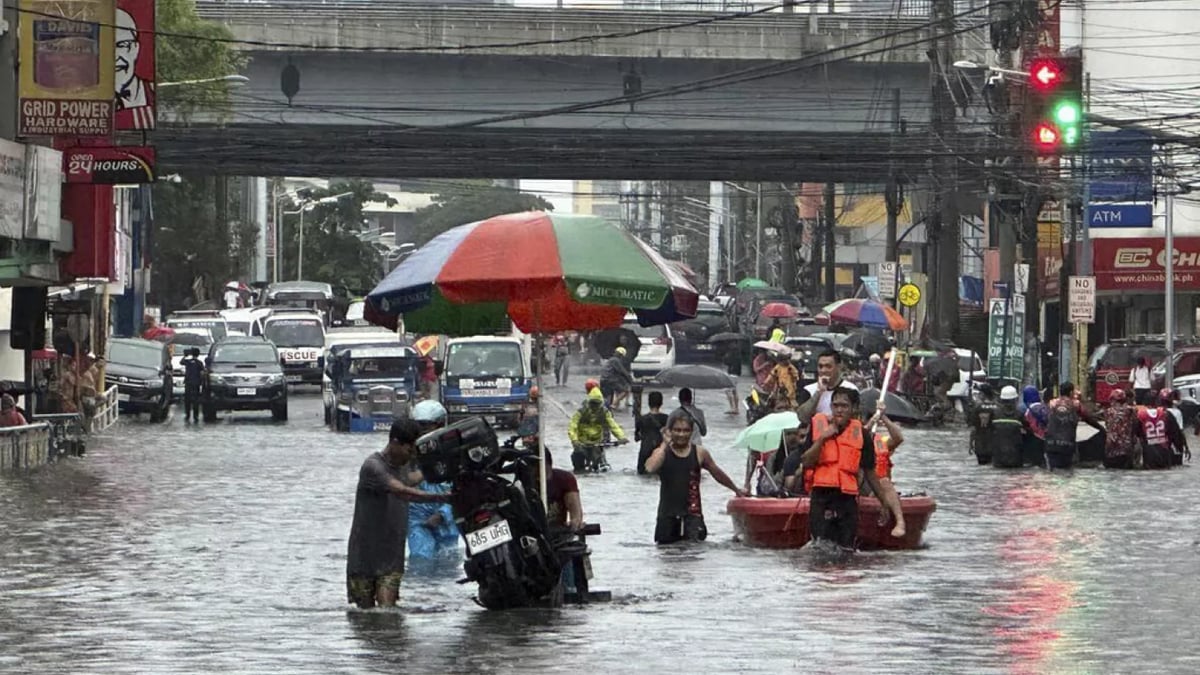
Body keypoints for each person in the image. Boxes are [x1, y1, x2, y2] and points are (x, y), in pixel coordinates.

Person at [346, 419, 451, 610]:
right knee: (365, 616)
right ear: (395, 443)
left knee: (388, 614)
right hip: (364, 557)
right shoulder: (373, 466)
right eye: (409, 451)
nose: (411, 457)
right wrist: (444, 497)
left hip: (391, 557)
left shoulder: (402, 467)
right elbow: (403, 491)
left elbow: (412, 480)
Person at [792, 387, 905, 548]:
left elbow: (870, 472)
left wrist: (883, 503)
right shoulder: (818, 426)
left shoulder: (862, 434)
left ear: (854, 409)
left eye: (844, 406)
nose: (839, 410)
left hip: (847, 498)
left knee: (846, 548)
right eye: (835, 405)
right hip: (821, 497)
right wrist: (822, 439)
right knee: (820, 547)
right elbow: (807, 461)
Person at [644, 410, 747, 544]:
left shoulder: (699, 453)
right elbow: (650, 468)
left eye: (686, 430)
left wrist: (736, 490)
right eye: (677, 430)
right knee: (667, 556)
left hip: (692, 516)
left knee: (694, 555)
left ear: (691, 432)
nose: (681, 434)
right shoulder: (662, 452)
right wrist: (665, 444)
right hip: (667, 517)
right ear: (669, 431)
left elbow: (717, 473)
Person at [407, 401, 460, 561]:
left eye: (425, 426)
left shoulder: (453, 451)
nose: (421, 431)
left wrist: (442, 514)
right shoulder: (408, 452)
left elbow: (461, 487)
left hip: (446, 519)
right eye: (417, 426)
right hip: (418, 519)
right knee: (421, 559)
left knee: (448, 560)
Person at [567, 387, 628, 472]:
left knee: (601, 465)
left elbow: (613, 425)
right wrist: (574, 440)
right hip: (581, 443)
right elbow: (572, 426)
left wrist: (621, 437)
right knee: (578, 460)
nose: (595, 406)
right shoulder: (581, 411)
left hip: (597, 442)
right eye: (593, 404)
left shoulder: (604, 412)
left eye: (597, 404)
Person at [1044, 382, 1102, 470]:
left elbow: (1046, 419)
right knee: (1067, 472)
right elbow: (1088, 418)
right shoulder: (1075, 404)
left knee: (1053, 470)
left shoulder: (1052, 403)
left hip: (1051, 444)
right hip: (1067, 444)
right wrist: (1101, 428)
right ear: (1071, 393)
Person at [796, 349, 859, 423]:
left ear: (839, 367)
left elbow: (855, 418)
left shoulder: (851, 388)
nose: (823, 370)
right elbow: (802, 417)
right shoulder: (809, 390)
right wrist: (819, 392)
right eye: (820, 366)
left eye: (828, 366)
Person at [990, 386, 1028, 469]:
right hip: (1016, 457)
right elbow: (1028, 430)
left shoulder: (995, 414)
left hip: (998, 457)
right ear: (1015, 400)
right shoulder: (1019, 414)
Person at [1102, 389, 1140, 470]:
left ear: (1113, 400)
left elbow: (1108, 426)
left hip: (1110, 451)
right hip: (1126, 450)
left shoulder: (1108, 412)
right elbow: (1135, 426)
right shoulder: (1132, 410)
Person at [635, 391, 669, 475]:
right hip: (659, 451)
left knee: (642, 476)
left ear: (648, 403)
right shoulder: (667, 419)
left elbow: (637, 438)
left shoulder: (641, 419)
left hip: (644, 450)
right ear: (661, 403)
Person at [1157, 388, 1190, 466]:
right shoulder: (1177, 412)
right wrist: (1186, 447)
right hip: (1175, 446)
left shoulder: (1158, 411)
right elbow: (1180, 431)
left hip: (1161, 446)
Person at [967, 383, 998, 464]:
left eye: (979, 393)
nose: (978, 395)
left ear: (983, 394)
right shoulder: (998, 408)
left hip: (980, 446)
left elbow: (973, 429)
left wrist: (970, 444)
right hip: (995, 446)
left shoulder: (977, 408)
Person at [181, 347, 205, 423]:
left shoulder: (188, 362)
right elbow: (202, 373)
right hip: (196, 383)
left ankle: (187, 414)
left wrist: (185, 355)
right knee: (196, 400)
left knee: (187, 400)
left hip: (188, 383)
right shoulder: (199, 363)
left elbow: (181, 362)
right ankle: (195, 415)